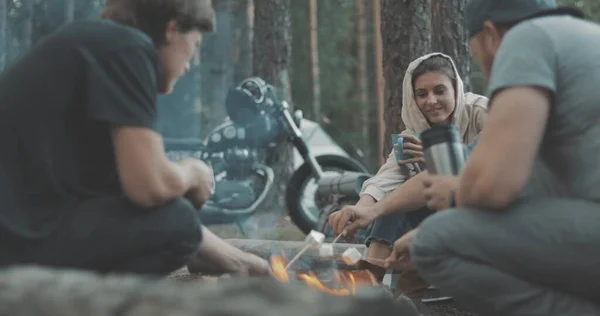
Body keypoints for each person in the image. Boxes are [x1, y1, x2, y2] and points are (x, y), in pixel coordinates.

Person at [0, 0, 270, 277]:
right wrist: (193, 172)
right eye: (194, 47)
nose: (189, 65)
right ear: (172, 30)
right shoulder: (127, 48)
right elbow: (150, 186)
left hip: (21, 233)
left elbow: (135, 199)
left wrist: (243, 262)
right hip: (16, 244)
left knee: (174, 217)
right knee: (177, 219)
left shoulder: (98, 47)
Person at [382, 1, 600, 315]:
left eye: (474, 55)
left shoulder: (526, 39)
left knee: (434, 243)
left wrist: (455, 195)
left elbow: (496, 187)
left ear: (490, 34)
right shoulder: (583, 40)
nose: (485, 70)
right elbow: (534, 186)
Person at [335, 53, 488, 301]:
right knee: (399, 194)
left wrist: (434, 161)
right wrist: (360, 208)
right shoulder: (414, 133)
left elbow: (494, 168)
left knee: (414, 199)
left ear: (456, 90)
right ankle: (369, 279)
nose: (431, 101)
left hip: (486, 215)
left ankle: (383, 288)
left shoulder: (482, 113)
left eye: (440, 90)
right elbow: (387, 176)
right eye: (422, 94)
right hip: (439, 219)